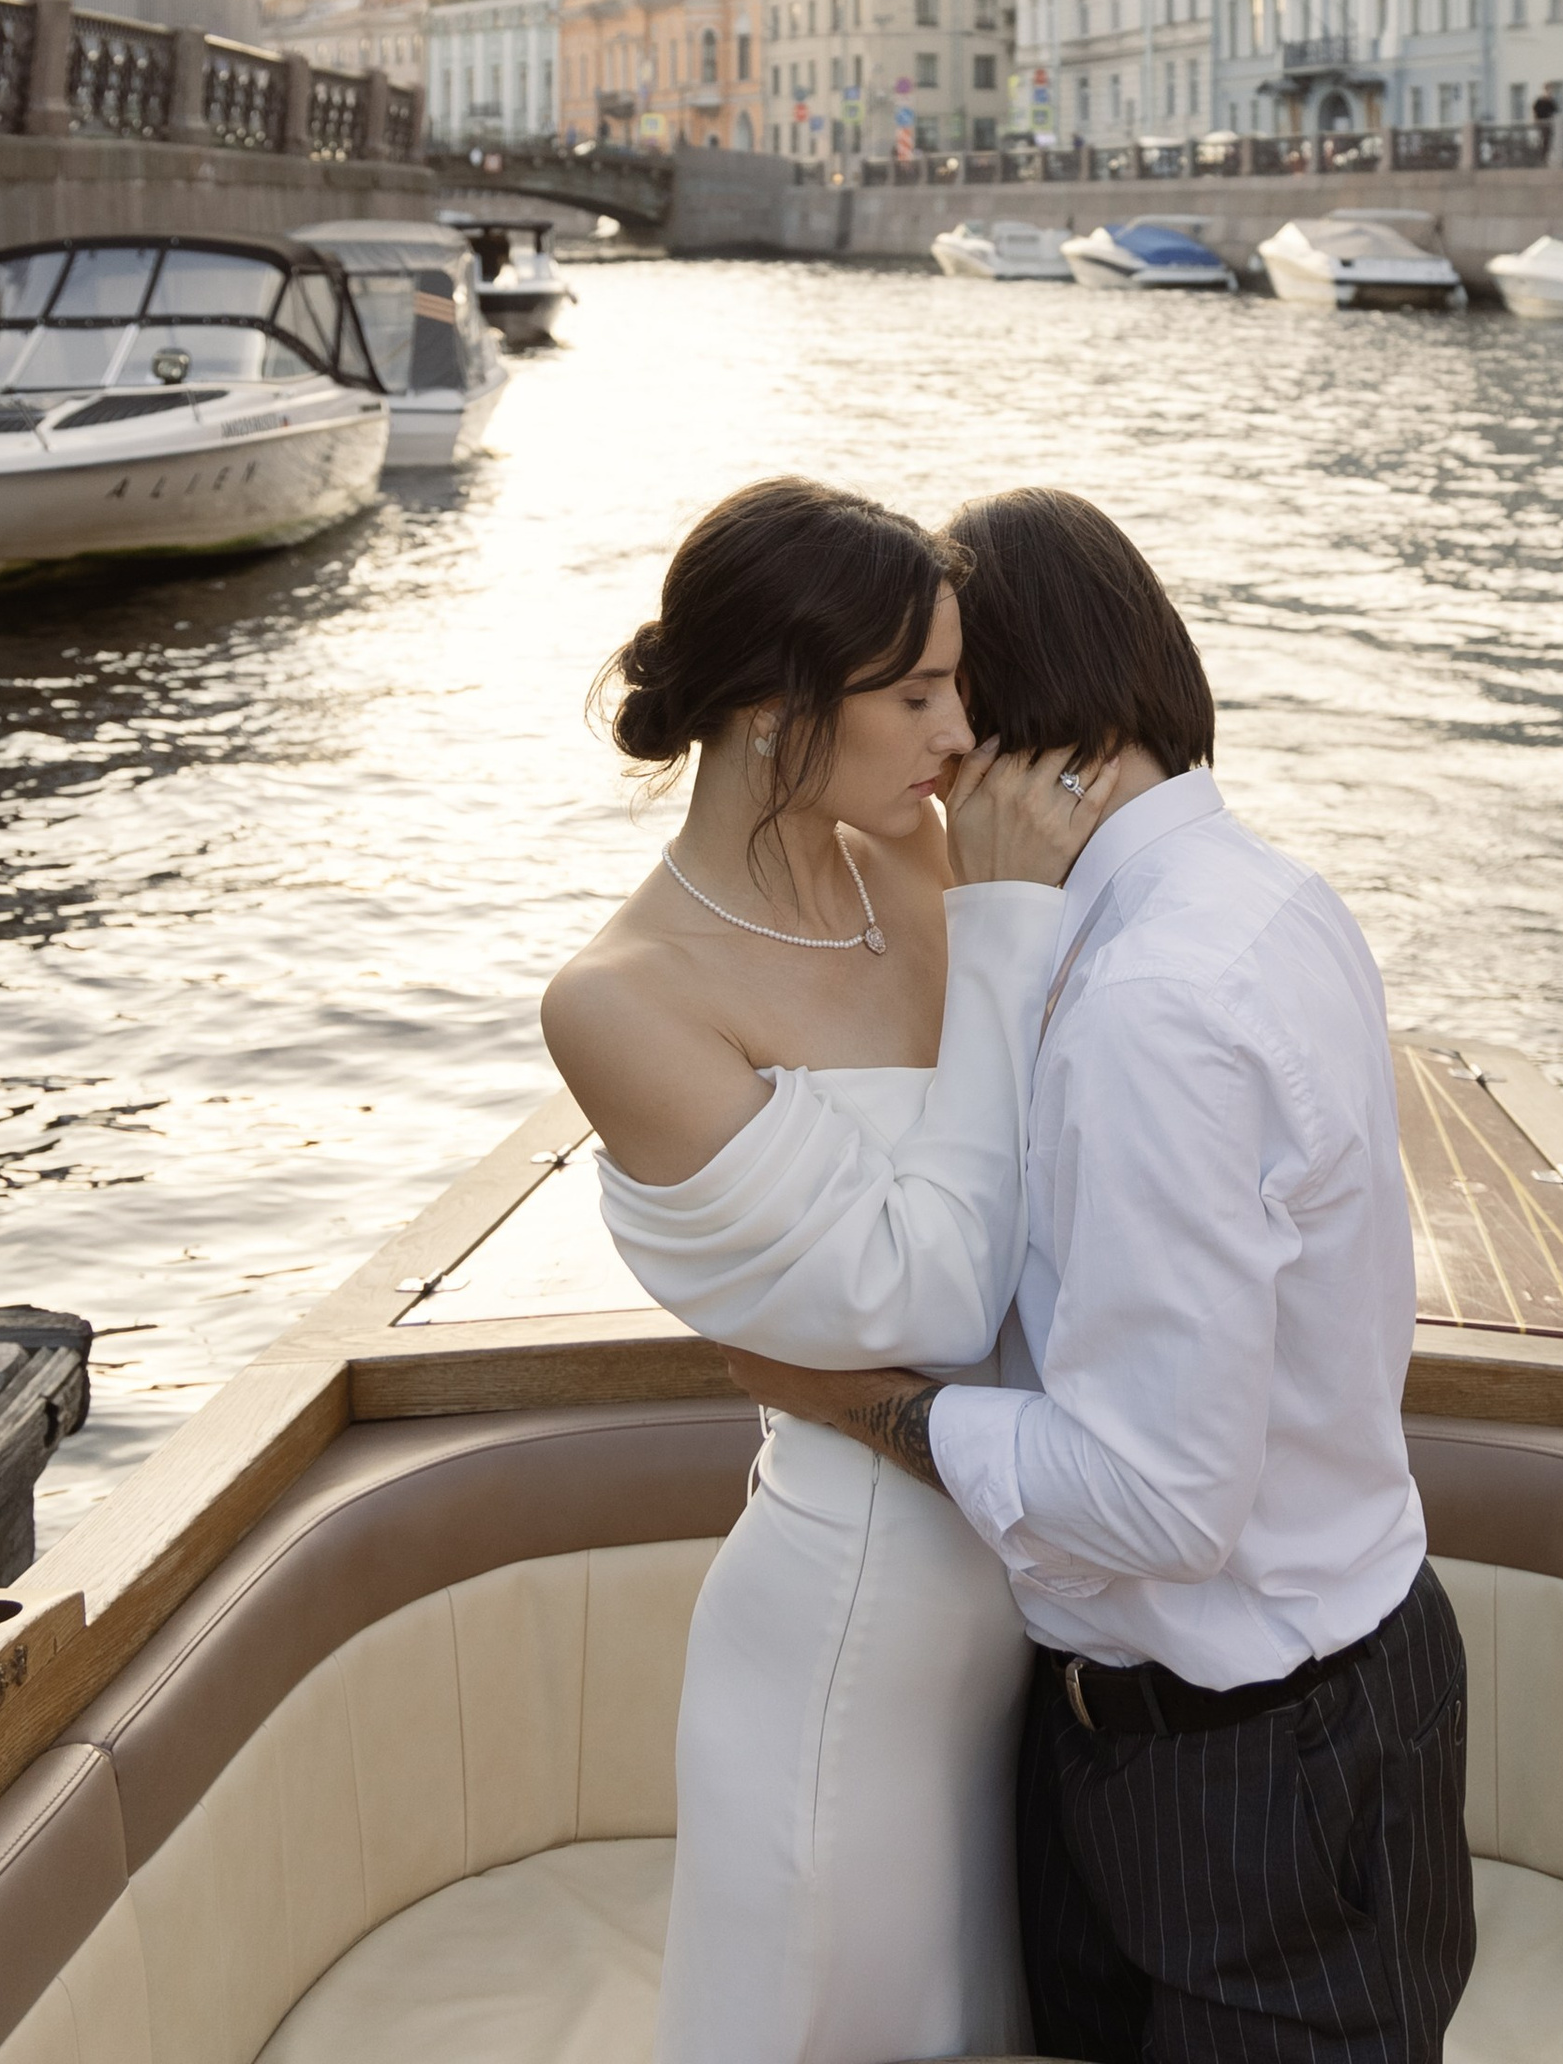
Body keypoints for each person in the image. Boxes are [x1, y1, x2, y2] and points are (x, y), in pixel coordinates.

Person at [739, 487, 1474, 2064]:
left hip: (1247, 1774)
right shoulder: (1268, 897)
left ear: (1004, 730)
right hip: (1268, 1713)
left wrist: (867, 1407)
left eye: (938, 695)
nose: (922, 741)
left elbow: (1157, 1499)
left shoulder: (1150, 1003)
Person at [541, 475, 1111, 2064]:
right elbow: (926, 1299)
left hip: (1020, 1595)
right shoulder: (624, 998)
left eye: (957, 682)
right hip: (852, 1621)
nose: (958, 729)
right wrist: (1005, 926)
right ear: (774, 707)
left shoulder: (917, 865)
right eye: (916, 691)